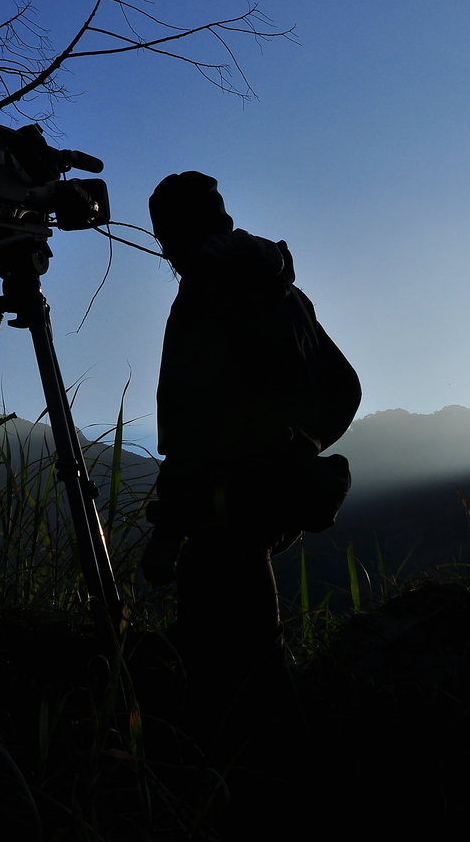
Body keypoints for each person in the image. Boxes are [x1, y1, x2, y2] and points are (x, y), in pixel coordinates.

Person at [140, 171, 361, 797]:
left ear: (172, 233)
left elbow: (190, 430)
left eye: (162, 234)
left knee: (248, 671)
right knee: (240, 656)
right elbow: (345, 388)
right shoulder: (284, 288)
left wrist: (166, 533)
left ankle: (273, 799)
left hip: (223, 514)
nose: (161, 247)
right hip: (269, 506)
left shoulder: (203, 294)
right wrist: (298, 449)